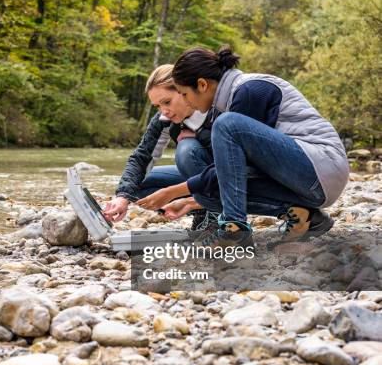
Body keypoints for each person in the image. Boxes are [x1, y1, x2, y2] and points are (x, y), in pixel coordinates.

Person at [137, 46, 349, 248]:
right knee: (202, 192)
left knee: (226, 126)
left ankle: (235, 230)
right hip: (304, 183)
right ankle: (305, 216)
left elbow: (228, 170)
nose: (186, 101)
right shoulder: (227, 101)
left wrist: (174, 192)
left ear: (202, 85)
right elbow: (231, 172)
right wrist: (193, 200)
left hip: (320, 169)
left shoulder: (250, 90)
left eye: (184, 94)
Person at [103, 64, 216, 235]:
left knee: (187, 150)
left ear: (183, 89)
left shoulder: (216, 109)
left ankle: (218, 217)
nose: (164, 111)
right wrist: (122, 197)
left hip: (230, 180)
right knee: (138, 187)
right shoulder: (164, 119)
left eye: (167, 102)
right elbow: (141, 158)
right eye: (157, 106)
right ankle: (202, 211)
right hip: (198, 180)